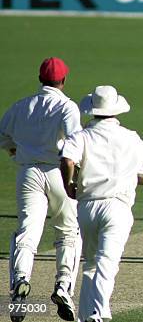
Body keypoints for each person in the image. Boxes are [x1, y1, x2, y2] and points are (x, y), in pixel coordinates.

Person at [60, 85, 143, 322]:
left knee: (91, 264)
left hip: (87, 207)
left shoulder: (81, 136)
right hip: (118, 207)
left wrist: (69, 184)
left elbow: (67, 159)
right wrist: (125, 175)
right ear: (117, 110)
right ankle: (99, 313)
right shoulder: (132, 138)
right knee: (107, 264)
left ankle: (85, 317)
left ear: (93, 110)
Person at [0, 57, 81, 322]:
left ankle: (20, 281)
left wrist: (16, 152)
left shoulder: (22, 106)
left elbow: (3, 138)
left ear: (40, 79)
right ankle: (63, 286)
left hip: (28, 174)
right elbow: (74, 143)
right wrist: (74, 178)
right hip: (58, 172)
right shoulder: (68, 107)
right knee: (68, 232)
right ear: (64, 80)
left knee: (27, 231)